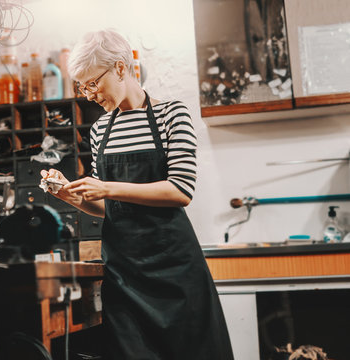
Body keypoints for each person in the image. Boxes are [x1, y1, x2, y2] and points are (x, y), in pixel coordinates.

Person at [40, 29, 234, 359]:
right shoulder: (101, 129)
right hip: (124, 274)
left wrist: (107, 187)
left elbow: (180, 190)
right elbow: (107, 206)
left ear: (119, 67)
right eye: (83, 87)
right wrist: (70, 195)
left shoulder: (172, 114)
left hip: (175, 270)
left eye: (92, 83)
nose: (88, 95)